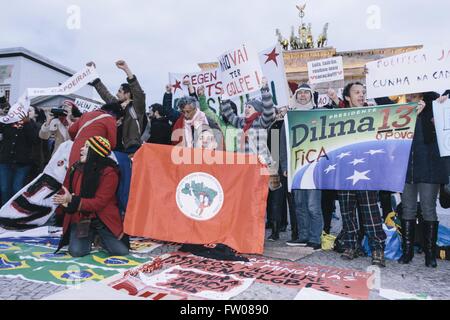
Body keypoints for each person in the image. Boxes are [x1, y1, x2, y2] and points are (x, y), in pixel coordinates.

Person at [335, 82, 387, 267]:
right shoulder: (338, 117)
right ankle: (351, 245)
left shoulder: (374, 114)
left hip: (366, 171)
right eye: (356, 92)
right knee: (347, 211)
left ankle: (377, 250)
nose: (361, 95)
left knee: (370, 211)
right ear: (347, 97)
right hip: (344, 172)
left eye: (363, 92)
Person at [221, 80, 279, 240]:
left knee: (269, 199)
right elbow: (229, 114)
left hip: (263, 166)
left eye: (250, 107)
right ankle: (249, 231)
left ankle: (274, 231)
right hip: (246, 169)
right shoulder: (241, 123)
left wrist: (264, 89)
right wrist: (224, 97)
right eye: (245, 106)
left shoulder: (261, 122)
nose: (246, 109)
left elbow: (268, 110)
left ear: (257, 110)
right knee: (250, 200)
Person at [53, 136, 129, 257]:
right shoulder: (75, 168)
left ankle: (99, 237)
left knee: (121, 252)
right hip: (81, 217)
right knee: (77, 252)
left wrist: (72, 200)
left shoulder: (109, 172)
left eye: (87, 147)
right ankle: (90, 236)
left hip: (102, 219)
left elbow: (99, 202)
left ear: (95, 151)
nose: (81, 149)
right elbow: (65, 190)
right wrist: (64, 201)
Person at [398, 92, 449, 268]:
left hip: (430, 165)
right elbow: (380, 103)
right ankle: (407, 252)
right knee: (407, 208)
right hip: (406, 167)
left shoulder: (435, 102)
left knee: (428, 208)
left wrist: (447, 96)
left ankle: (430, 253)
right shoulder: (399, 104)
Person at [281, 83, 323, 250]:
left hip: (314, 166)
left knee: (313, 205)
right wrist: (284, 165)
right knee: (299, 205)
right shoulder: (289, 117)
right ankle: (303, 236)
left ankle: (315, 238)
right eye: (300, 93)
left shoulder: (318, 114)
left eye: (307, 93)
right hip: (296, 166)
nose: (303, 95)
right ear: (296, 96)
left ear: (311, 96)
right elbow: (283, 143)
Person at [87, 60, 146, 154]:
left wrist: (126, 69)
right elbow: (105, 93)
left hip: (130, 148)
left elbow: (138, 92)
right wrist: (93, 73)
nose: (116, 94)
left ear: (127, 94)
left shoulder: (136, 107)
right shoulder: (116, 105)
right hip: (113, 147)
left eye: (119, 91)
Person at [0, 110, 39, 206]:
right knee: (4, 189)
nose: (25, 112)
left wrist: (27, 123)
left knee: (17, 189)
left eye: (29, 110)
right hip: (6, 160)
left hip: (23, 163)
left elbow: (34, 140)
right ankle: (5, 213)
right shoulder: (7, 122)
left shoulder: (33, 124)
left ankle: (16, 212)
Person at [68, 103, 122, 168]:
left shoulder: (86, 114)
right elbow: (112, 144)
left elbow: (71, 130)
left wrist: (78, 140)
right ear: (115, 114)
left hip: (75, 149)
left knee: (71, 173)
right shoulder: (110, 119)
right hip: (92, 153)